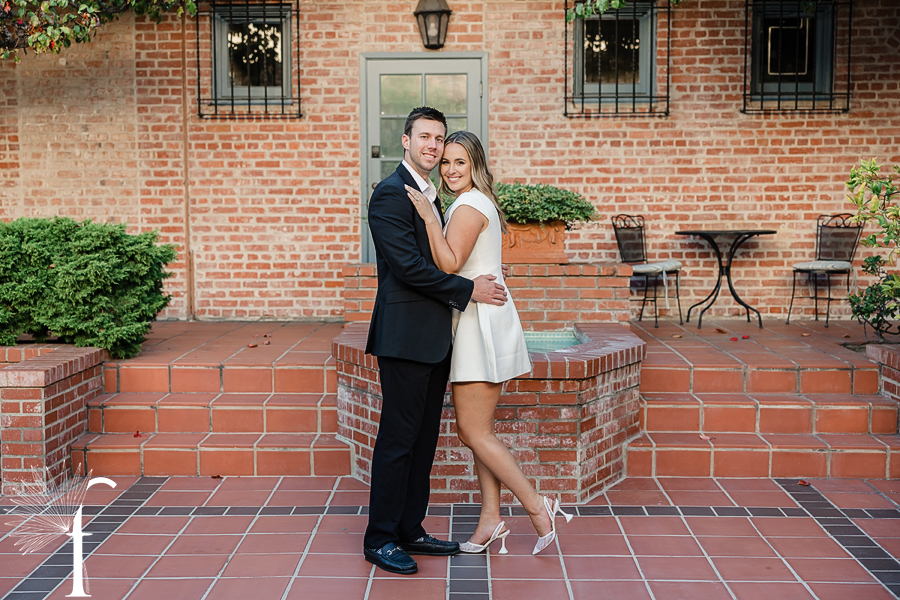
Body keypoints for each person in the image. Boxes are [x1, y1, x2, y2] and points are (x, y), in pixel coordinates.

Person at [405, 130, 573, 557]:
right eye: (446, 162)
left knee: (472, 431)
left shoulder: (469, 204)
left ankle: (539, 506)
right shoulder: (475, 203)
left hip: (479, 322)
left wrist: (427, 216)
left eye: (460, 162)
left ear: (476, 165)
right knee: (480, 431)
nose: (451, 169)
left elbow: (448, 262)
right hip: (479, 317)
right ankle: (491, 520)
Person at [363, 107, 509, 575]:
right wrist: (469, 290)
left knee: (424, 440)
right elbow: (408, 268)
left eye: (439, 138)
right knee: (398, 440)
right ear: (405, 141)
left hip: (436, 339)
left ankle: (410, 529)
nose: (432, 146)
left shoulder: (432, 194)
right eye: (424, 137)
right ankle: (381, 537)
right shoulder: (389, 195)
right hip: (404, 338)